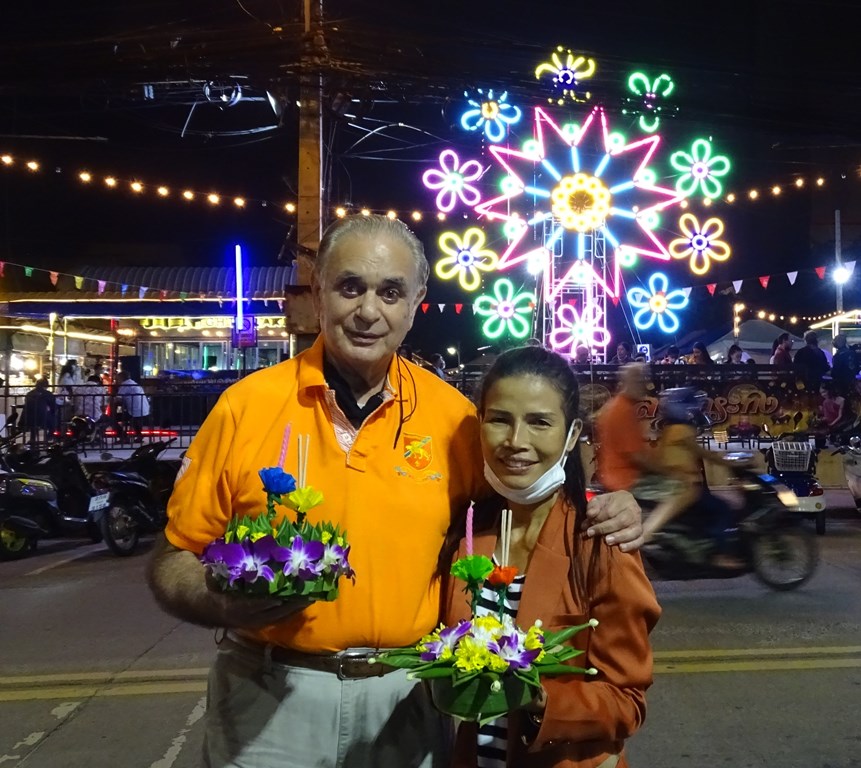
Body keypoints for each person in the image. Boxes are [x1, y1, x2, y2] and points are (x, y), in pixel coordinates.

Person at [145, 214, 644, 768]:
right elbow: (175, 556)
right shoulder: (245, 407)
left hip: (408, 698)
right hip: (269, 697)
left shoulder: (453, 419)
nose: (367, 311)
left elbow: (527, 498)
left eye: (390, 292)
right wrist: (223, 601)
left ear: (416, 302)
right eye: (350, 286)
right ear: (319, 291)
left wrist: (606, 504)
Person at [439, 346, 661, 767]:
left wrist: (540, 699)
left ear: (572, 435)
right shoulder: (463, 534)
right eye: (500, 420)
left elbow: (627, 701)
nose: (516, 442)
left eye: (539, 422)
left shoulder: (598, 542)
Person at [641, 388, 743, 569]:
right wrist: (728, 462)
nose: (696, 410)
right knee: (724, 509)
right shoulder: (681, 430)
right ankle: (720, 554)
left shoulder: (671, 429)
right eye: (693, 406)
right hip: (686, 485)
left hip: (679, 483)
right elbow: (704, 453)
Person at [21, 377, 57, 444]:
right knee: (54, 418)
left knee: (34, 419)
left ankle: (33, 439)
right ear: (46, 386)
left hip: (28, 420)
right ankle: (50, 435)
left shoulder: (29, 394)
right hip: (43, 420)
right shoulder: (47, 394)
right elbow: (53, 408)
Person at [116, 370, 150, 439]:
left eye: (118, 378)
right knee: (134, 419)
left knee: (112, 419)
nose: (117, 381)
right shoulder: (134, 383)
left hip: (134, 411)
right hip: (144, 409)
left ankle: (123, 436)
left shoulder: (124, 385)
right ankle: (139, 435)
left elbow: (118, 399)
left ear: (121, 378)